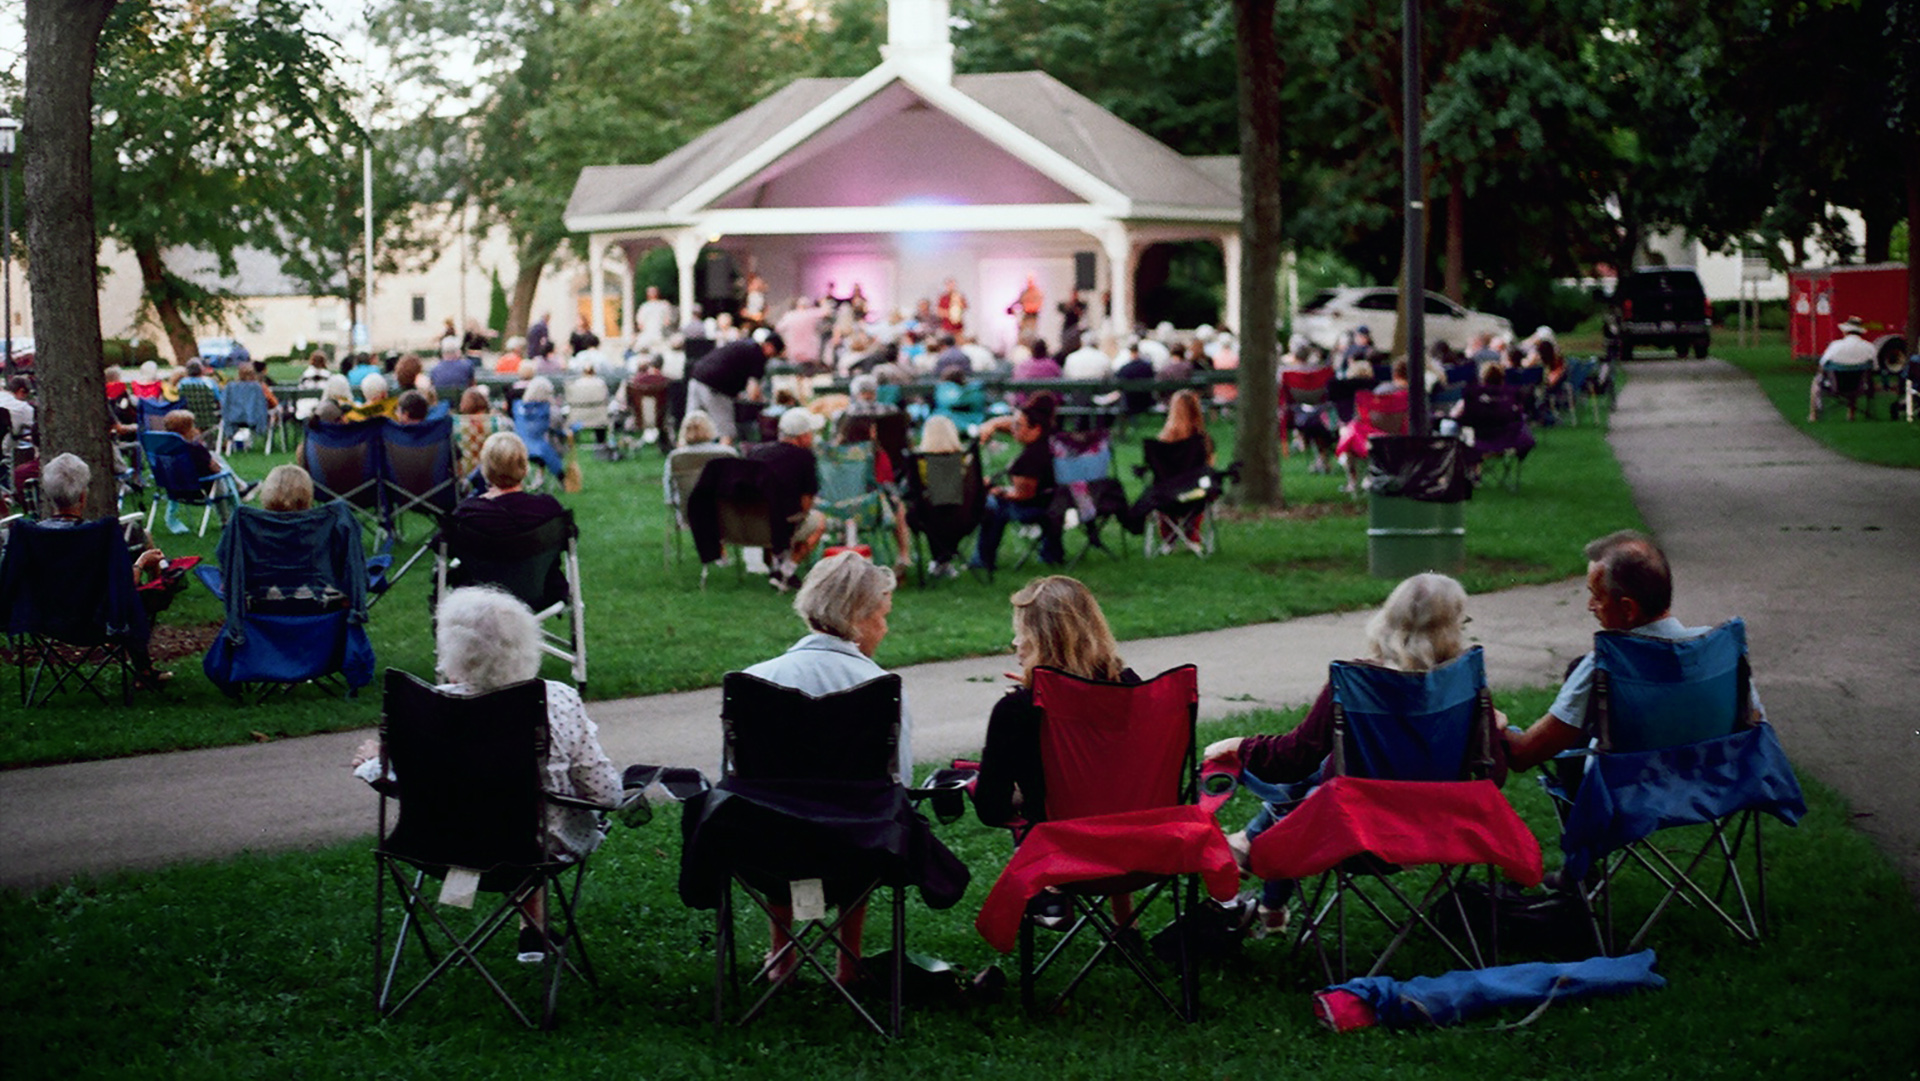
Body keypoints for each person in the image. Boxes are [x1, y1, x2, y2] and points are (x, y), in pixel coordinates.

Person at [353, 585, 618, 962]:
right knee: (528, 809)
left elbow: (396, 779)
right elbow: (605, 795)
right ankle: (534, 931)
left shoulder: (430, 709)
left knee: (497, 804)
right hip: (533, 851)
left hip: (434, 848)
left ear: (451, 648)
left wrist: (371, 762)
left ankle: (533, 930)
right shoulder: (556, 700)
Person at [1202, 572, 1479, 933]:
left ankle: (1250, 852)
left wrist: (1239, 746)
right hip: (1442, 830)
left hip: (1358, 836)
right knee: (1319, 777)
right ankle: (1265, 889)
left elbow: (1293, 756)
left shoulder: (1358, 683)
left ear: (1388, 619)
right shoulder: (1466, 683)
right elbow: (1494, 770)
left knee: (1309, 787)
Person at [740, 550, 905, 985]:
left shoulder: (753, 681)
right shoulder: (881, 689)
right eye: (883, 616)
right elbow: (897, 782)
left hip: (764, 848)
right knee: (872, 814)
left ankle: (782, 953)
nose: (886, 629)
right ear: (858, 617)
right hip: (858, 848)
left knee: (775, 811)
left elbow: (738, 777)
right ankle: (848, 959)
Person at [1500, 530, 1763, 773]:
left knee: (1581, 693)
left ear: (1628, 609)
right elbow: (1755, 721)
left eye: (1596, 596)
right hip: (1714, 784)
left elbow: (1524, 753)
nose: (1590, 606)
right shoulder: (1720, 649)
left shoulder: (1603, 667)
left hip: (1631, 794)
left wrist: (1493, 720)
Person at [974, 575, 1132, 828]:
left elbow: (992, 808)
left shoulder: (1017, 709)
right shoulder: (1131, 687)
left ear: (1041, 640)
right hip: (1136, 839)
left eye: (1021, 633)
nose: (1015, 643)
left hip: (1060, 849)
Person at [36, 453, 175, 689]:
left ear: (49, 496)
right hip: (100, 623)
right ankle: (143, 669)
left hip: (44, 621)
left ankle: (143, 668)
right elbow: (124, 585)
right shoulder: (98, 536)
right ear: (83, 495)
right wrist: (141, 563)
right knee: (149, 594)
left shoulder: (31, 536)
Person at [970, 391, 1061, 571]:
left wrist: (995, 490)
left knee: (992, 505)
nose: (1013, 430)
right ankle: (1052, 552)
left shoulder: (1029, 459)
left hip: (1035, 508)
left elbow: (1022, 495)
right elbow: (1014, 423)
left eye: (1018, 426)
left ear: (1035, 429)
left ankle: (982, 559)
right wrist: (994, 424)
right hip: (1057, 501)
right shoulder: (1053, 441)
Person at [748, 407, 829, 590]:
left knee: (775, 512)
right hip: (784, 524)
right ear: (802, 436)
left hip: (752, 524)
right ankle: (787, 570)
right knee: (819, 521)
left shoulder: (756, 452)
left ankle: (776, 567)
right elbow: (806, 503)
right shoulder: (805, 457)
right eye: (811, 433)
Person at [688, 332, 785, 445]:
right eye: (775, 353)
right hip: (716, 387)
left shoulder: (744, 344)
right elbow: (753, 392)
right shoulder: (758, 355)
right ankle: (723, 459)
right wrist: (764, 403)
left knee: (691, 426)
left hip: (696, 377)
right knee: (726, 432)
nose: (772, 357)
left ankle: (681, 457)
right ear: (769, 346)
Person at [1810, 315, 1878, 422]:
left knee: (1816, 381)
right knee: (1856, 376)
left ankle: (1813, 415)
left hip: (1835, 386)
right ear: (1860, 332)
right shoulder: (1869, 347)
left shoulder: (1835, 346)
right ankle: (1851, 414)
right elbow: (1874, 367)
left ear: (1845, 332)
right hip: (1859, 387)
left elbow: (1822, 365)